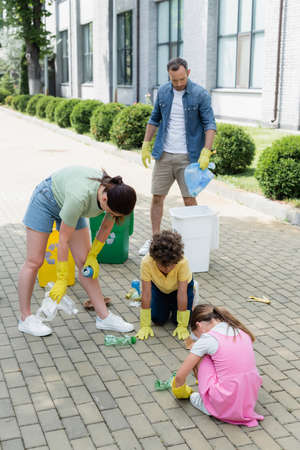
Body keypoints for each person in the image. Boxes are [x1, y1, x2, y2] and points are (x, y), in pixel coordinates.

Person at [18, 165, 136, 337]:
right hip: (46, 200)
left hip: (70, 204)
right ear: (104, 199)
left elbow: (105, 228)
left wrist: (93, 255)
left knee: (84, 262)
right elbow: (62, 241)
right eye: (113, 213)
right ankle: (25, 318)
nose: (114, 216)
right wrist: (61, 279)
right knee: (34, 261)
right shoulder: (80, 197)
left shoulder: (115, 194)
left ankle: (104, 317)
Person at [139, 57, 216, 256]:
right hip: (164, 155)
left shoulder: (200, 94)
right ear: (169, 76)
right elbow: (154, 118)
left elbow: (209, 124)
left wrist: (206, 151)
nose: (179, 83)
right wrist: (146, 144)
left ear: (188, 73)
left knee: (189, 201)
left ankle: (194, 244)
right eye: (175, 80)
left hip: (188, 158)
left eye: (182, 79)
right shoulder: (164, 92)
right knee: (157, 197)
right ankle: (155, 242)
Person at [171, 304, 264, 427]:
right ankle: (220, 397)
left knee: (199, 354)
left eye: (196, 335)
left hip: (224, 402)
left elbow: (179, 377)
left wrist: (180, 391)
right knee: (215, 356)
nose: (199, 338)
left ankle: (207, 402)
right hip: (248, 399)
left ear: (199, 325)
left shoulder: (208, 339)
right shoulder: (240, 331)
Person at [136, 230, 194, 341]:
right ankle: (169, 303)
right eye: (162, 265)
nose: (166, 269)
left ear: (176, 259)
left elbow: (182, 293)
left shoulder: (182, 262)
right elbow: (146, 293)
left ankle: (186, 299)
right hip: (159, 288)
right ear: (154, 259)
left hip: (180, 289)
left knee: (178, 321)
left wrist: (182, 325)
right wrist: (144, 325)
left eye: (170, 265)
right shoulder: (146, 262)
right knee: (158, 319)